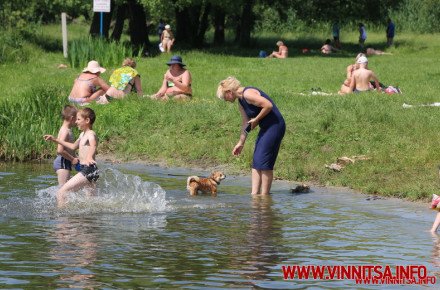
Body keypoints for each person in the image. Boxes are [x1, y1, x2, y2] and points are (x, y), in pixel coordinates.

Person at [216, 77, 285, 196]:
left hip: (275, 126)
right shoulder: (241, 102)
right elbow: (245, 123)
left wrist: (257, 119)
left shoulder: (247, 94)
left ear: (229, 92)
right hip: (265, 127)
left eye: (224, 97)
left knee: (265, 163)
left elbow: (268, 105)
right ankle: (254, 195)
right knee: (257, 161)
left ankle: (264, 196)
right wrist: (241, 142)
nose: (225, 100)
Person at [44, 108, 99, 207]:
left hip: (88, 169)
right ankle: (91, 221)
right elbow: (73, 146)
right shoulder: (82, 134)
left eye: (78, 119)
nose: (76, 122)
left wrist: (90, 156)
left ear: (87, 121)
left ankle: (63, 218)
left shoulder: (91, 134)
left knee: (61, 193)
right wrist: (55, 140)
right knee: (91, 203)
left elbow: (93, 145)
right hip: (88, 170)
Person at [52, 105, 80, 186]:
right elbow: (60, 150)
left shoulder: (67, 129)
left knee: (67, 189)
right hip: (62, 162)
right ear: (71, 118)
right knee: (63, 190)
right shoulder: (65, 131)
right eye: (77, 119)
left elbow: (69, 149)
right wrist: (72, 159)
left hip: (65, 162)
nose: (77, 121)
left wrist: (75, 157)